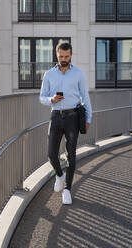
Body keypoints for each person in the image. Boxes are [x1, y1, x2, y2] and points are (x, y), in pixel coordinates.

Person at [39, 42, 92, 205]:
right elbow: (41, 97)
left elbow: (85, 97)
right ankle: (60, 175)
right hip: (55, 116)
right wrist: (51, 99)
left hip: (73, 117)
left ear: (71, 55)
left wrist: (88, 118)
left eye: (67, 56)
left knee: (71, 154)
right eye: (61, 56)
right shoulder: (48, 75)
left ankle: (68, 189)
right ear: (57, 55)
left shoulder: (78, 74)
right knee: (51, 154)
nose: (64, 59)